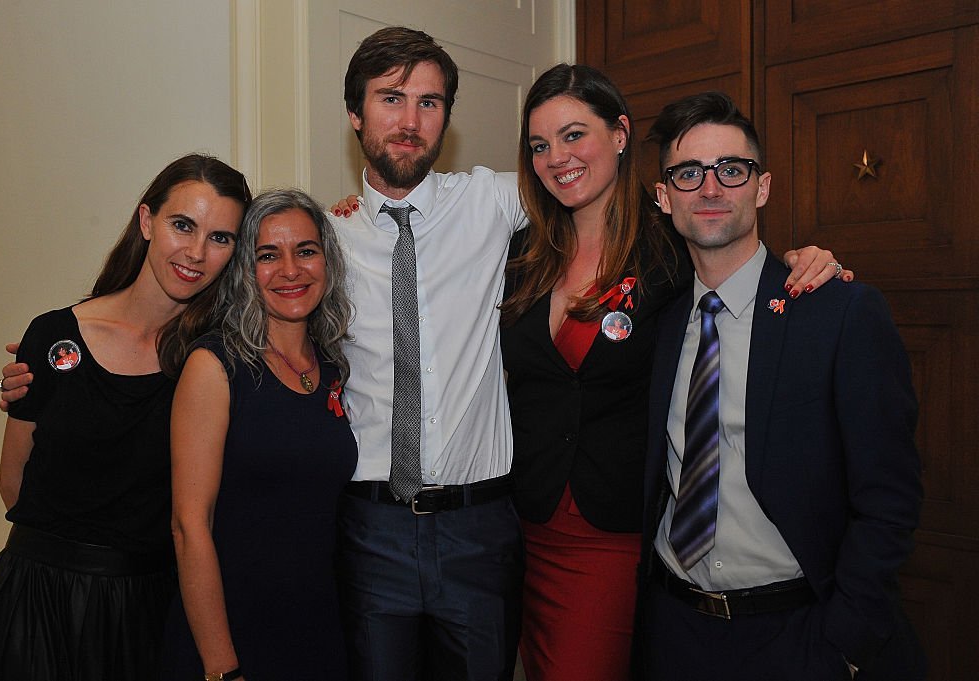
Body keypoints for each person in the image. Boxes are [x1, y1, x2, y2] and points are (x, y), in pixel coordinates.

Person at [500, 64, 853, 681]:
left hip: (614, 532)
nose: (556, 157)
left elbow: (743, 273)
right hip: (521, 526)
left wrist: (811, 260)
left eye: (574, 134)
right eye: (539, 145)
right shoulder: (522, 252)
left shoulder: (672, 247)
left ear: (619, 134)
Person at [639, 91, 925, 680]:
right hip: (673, 629)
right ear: (665, 197)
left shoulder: (838, 312)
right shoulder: (660, 321)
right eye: (689, 173)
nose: (711, 189)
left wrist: (846, 640)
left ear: (761, 187)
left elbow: (890, 495)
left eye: (731, 170)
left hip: (798, 634)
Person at [0, 154, 251, 681]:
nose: (196, 252)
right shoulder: (54, 336)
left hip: (150, 608)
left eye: (220, 238)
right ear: (146, 221)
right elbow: (14, 481)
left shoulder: (216, 362)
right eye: (182, 225)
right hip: (37, 602)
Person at [332, 27, 527, 681]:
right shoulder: (322, 239)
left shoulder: (493, 200)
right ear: (355, 114)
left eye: (429, 102)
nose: (409, 121)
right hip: (369, 530)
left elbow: (601, 198)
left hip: (480, 529)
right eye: (390, 98)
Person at [158, 189, 356, 681]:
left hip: (318, 627)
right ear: (245, 269)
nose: (290, 270)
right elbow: (189, 526)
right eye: (268, 255)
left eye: (306, 251)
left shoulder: (332, 366)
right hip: (230, 635)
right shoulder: (215, 365)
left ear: (327, 262)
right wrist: (223, 668)